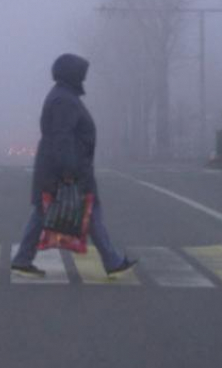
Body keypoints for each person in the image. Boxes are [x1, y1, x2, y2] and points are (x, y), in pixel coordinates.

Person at [11, 53, 137, 277]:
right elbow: (62, 137)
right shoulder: (64, 100)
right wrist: (68, 171)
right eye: (81, 74)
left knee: (46, 212)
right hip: (68, 169)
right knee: (89, 211)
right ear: (72, 75)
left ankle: (22, 260)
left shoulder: (64, 96)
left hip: (60, 168)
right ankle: (113, 262)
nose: (84, 79)